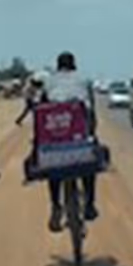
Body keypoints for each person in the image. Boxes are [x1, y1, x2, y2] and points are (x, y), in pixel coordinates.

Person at [32, 52, 99, 232]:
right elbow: (91, 111)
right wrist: (92, 133)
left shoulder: (49, 81)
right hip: (79, 137)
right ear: (74, 66)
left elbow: (41, 111)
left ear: (58, 66)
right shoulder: (84, 80)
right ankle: (90, 204)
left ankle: (55, 205)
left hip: (54, 140)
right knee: (90, 165)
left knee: (53, 170)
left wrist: (37, 145)